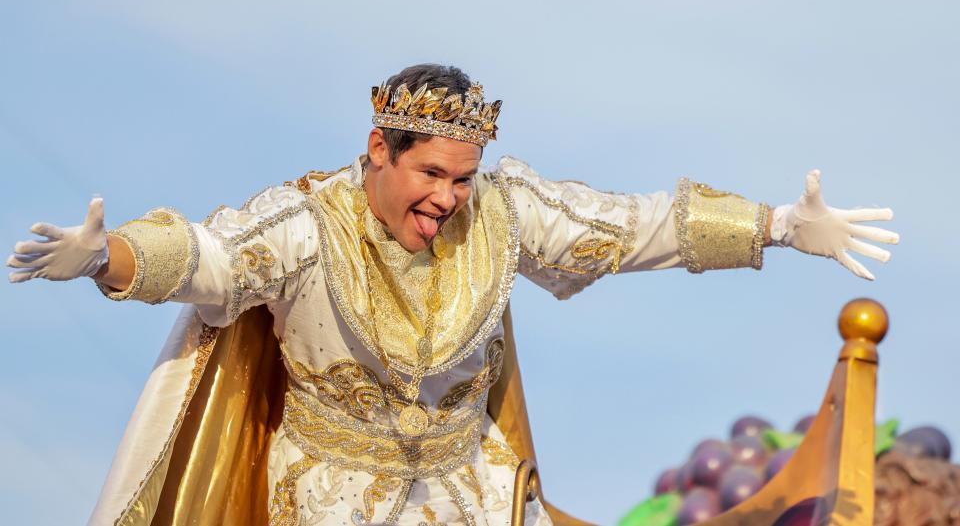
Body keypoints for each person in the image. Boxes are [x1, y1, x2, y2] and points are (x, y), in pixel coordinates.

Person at [7, 64, 898, 526]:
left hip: (472, 493)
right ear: (378, 151)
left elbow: (633, 227)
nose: (447, 197)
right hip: (332, 497)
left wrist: (777, 223)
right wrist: (105, 257)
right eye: (431, 172)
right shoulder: (305, 224)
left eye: (463, 177)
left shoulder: (503, 216)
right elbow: (206, 257)